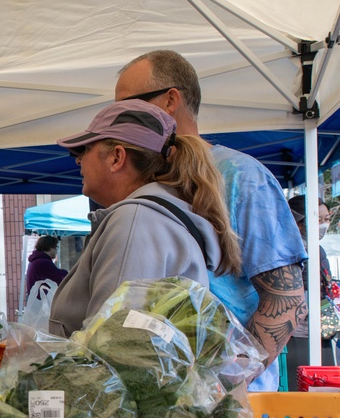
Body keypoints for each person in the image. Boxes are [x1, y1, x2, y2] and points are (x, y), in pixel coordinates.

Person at [115, 50, 307, 391]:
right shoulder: (142, 186)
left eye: (128, 107)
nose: (119, 120)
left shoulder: (241, 176)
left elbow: (287, 299)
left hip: (232, 408)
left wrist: (221, 385)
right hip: (159, 400)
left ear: (171, 100)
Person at [49, 99, 241, 336]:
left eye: (85, 149)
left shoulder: (135, 221)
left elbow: (111, 345)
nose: (78, 160)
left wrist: (33, 352)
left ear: (116, 157)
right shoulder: (152, 217)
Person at [285, 195, 336, 381]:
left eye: (326, 219)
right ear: (298, 224)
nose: (324, 224)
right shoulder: (292, 251)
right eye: (318, 219)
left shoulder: (318, 250)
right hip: (298, 335)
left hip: (321, 329)